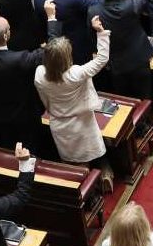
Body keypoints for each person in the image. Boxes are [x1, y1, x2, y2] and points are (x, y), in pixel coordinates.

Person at [35, 15, 111, 166]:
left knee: (69, 160)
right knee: (87, 158)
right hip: (82, 122)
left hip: (58, 123)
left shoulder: (40, 73)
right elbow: (102, 59)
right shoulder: (76, 73)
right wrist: (100, 33)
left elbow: (44, 99)